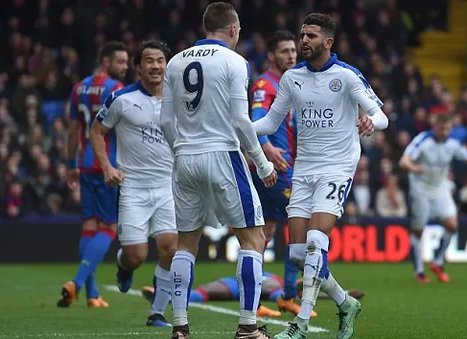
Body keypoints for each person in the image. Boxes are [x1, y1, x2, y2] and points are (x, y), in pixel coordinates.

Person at [253, 13, 389, 339]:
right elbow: (270, 123)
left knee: (316, 241)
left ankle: (299, 326)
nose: (303, 41)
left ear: (327, 42)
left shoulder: (347, 76)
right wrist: (236, 129)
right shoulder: (291, 78)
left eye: (311, 36)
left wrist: (371, 122)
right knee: (299, 255)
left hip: (338, 166)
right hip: (304, 169)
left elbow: (381, 116)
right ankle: (345, 303)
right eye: (302, 35)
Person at [160, 2, 277, 338]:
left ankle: (179, 329)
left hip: (184, 158)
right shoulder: (235, 62)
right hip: (222, 155)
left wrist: (181, 151)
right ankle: (248, 328)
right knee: (252, 239)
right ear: (233, 29)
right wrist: (262, 161)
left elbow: (166, 121)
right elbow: (241, 120)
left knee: (186, 243)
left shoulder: (175, 62)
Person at [89, 41, 178, 327]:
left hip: (168, 186)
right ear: (138, 67)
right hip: (134, 188)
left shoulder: (179, 99)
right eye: (149, 61)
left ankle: (157, 313)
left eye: (161, 60)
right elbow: (96, 131)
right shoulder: (121, 99)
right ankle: (123, 266)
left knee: (170, 249)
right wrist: (107, 167)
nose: (156, 66)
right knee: (136, 256)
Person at [58, 41, 128, 309]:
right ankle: (76, 283)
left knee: (89, 227)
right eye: (120, 62)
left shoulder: (79, 88)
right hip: (108, 164)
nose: (124, 67)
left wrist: (71, 163)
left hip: (85, 164)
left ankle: (92, 293)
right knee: (109, 229)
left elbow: (73, 130)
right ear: (106, 62)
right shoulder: (116, 89)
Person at [249, 30, 312, 318]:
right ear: (272, 55)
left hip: (279, 165)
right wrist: (266, 150)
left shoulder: (288, 84)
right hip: (275, 167)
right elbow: (257, 118)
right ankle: (287, 294)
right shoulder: (266, 83)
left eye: (293, 51)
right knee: (300, 223)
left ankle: (256, 299)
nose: (291, 55)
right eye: (285, 51)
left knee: (267, 232)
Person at [399, 113, 467, 284]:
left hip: (440, 188)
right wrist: (413, 168)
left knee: (452, 224)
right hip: (420, 190)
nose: (445, 132)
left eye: (447, 129)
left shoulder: (452, 143)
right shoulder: (423, 141)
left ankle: (437, 262)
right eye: (442, 128)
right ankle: (419, 271)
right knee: (418, 231)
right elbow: (403, 161)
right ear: (435, 126)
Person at [141, 273, 365, 314]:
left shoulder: (278, 280)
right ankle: (341, 295)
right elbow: (303, 291)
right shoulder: (279, 282)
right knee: (284, 295)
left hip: (237, 282)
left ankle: (166, 296)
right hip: (264, 286)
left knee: (204, 293)